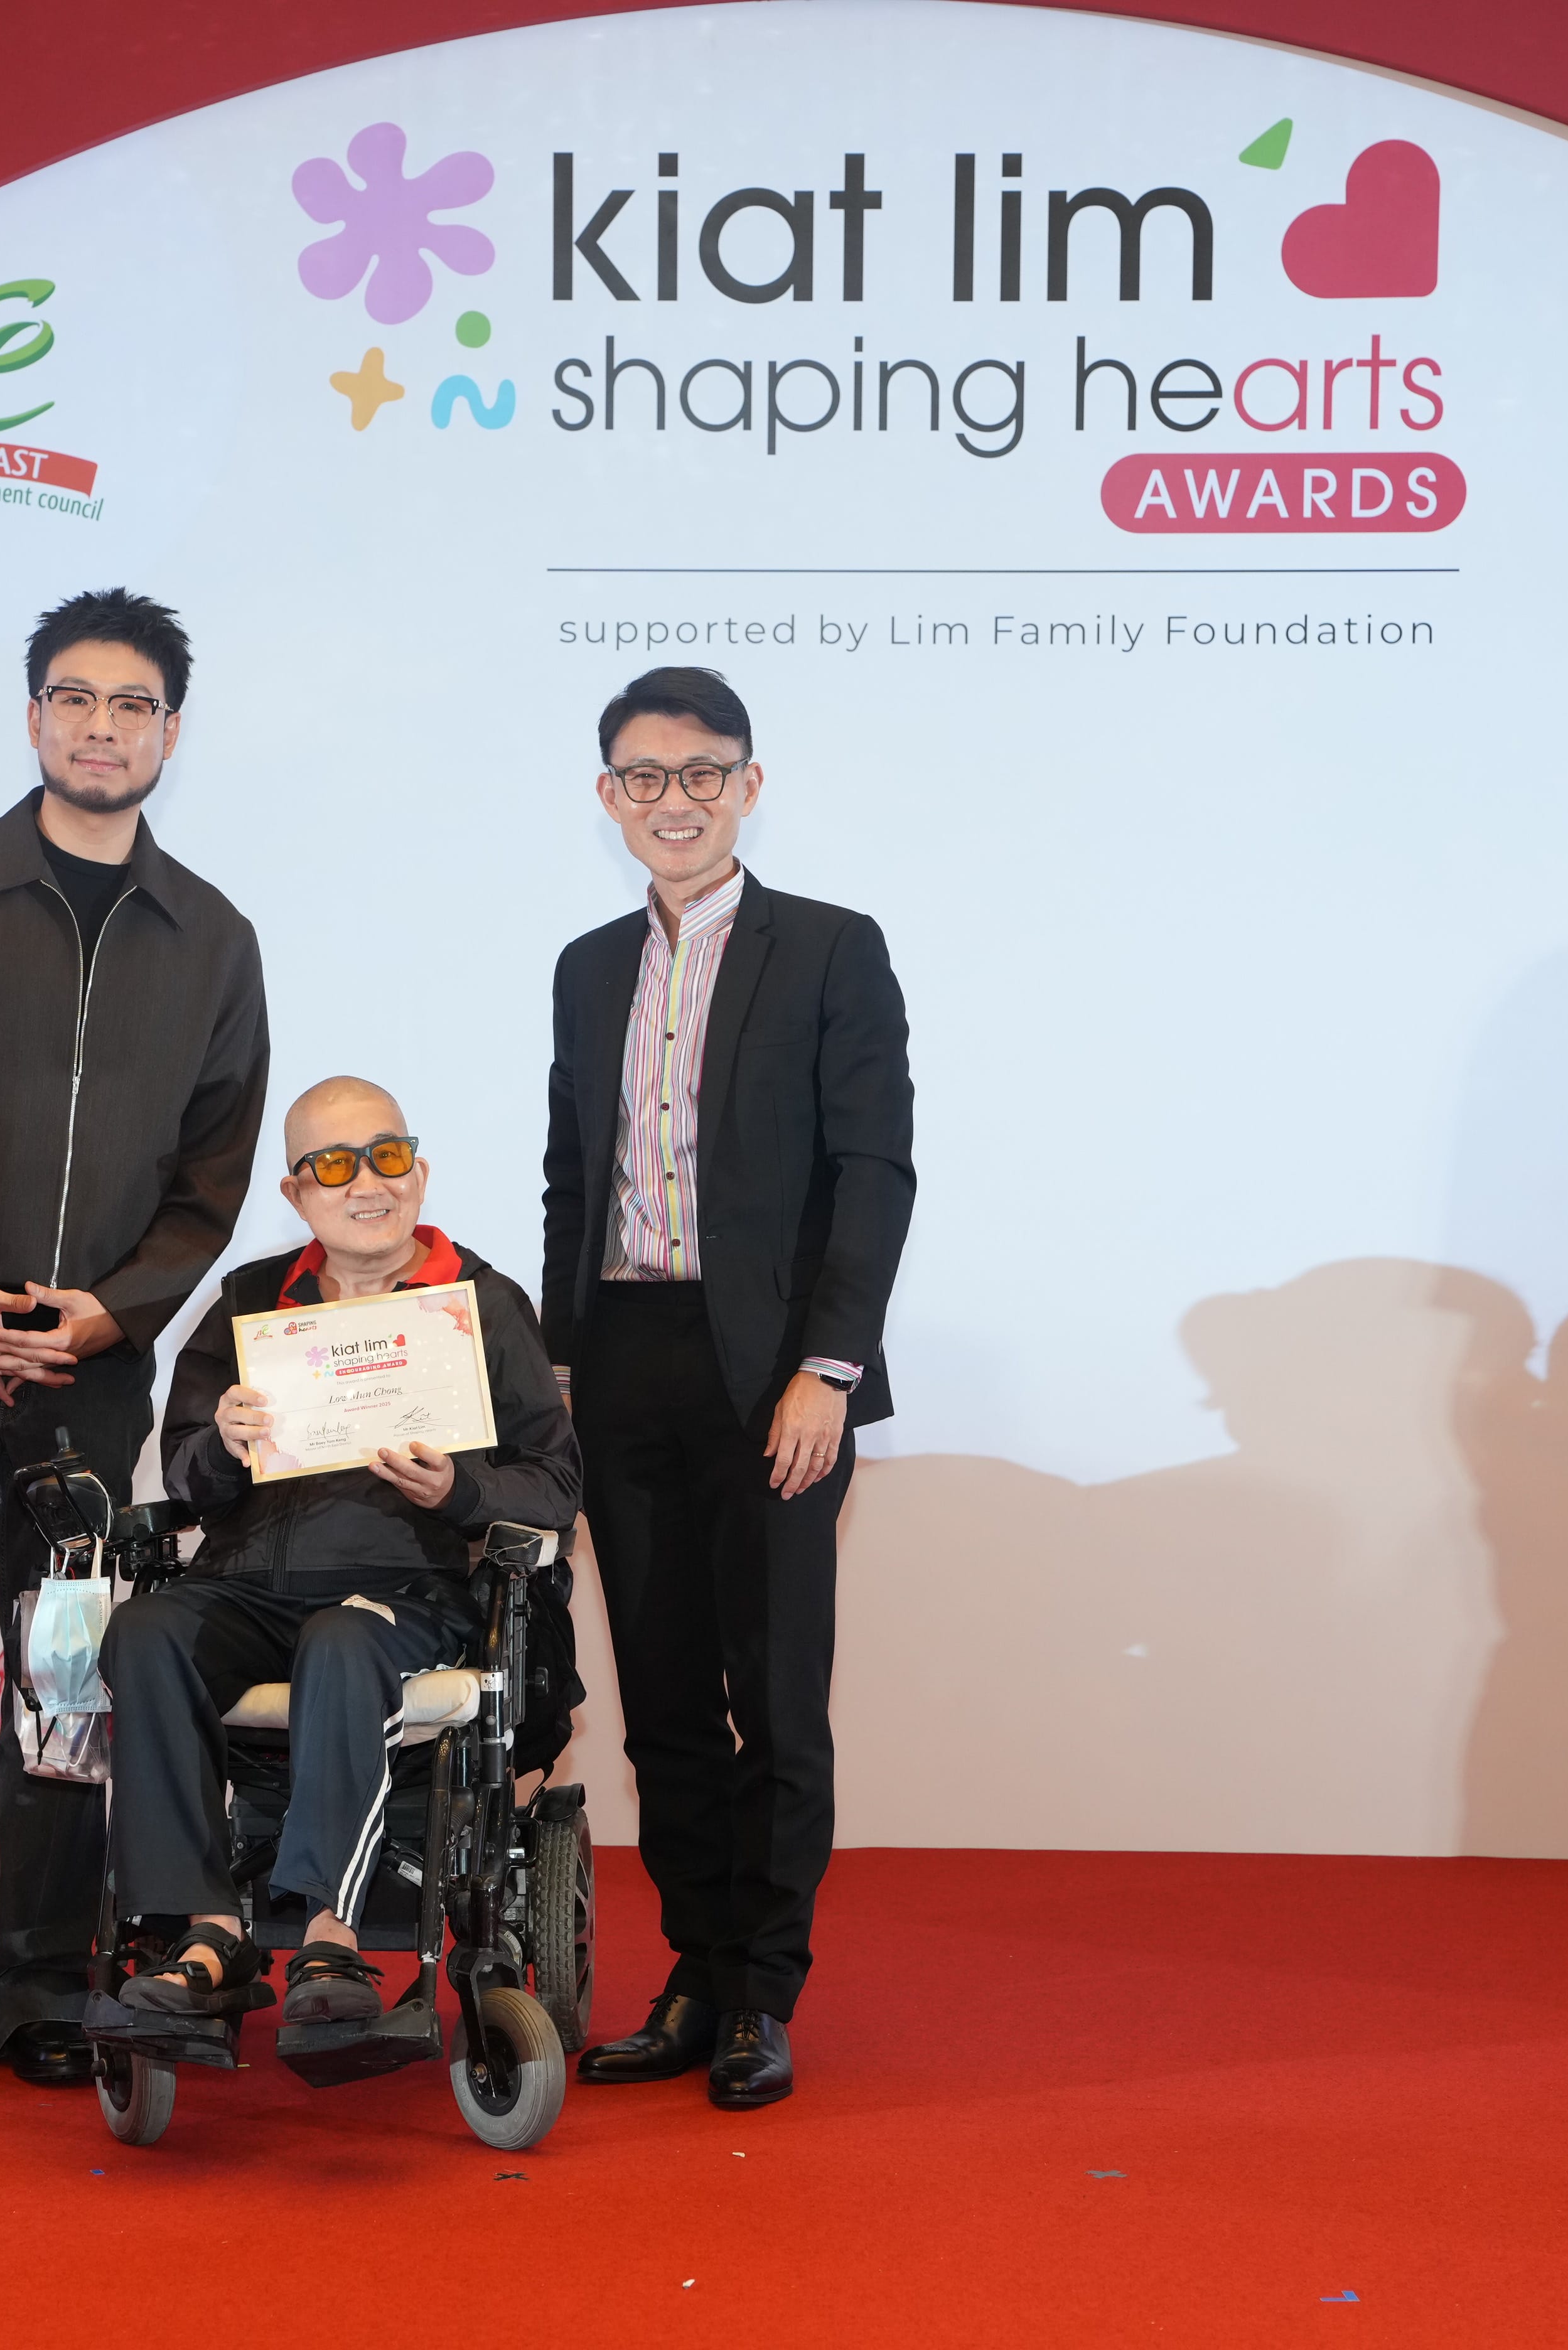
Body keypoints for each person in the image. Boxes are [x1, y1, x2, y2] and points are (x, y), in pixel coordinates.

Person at [0, 588, 271, 2093]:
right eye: (74, 698)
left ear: (171, 735)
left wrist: (110, 1313)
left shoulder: (212, 939)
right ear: (32, 717)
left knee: (65, 1677)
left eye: (132, 706)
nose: (100, 728)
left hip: (91, 1374)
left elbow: (213, 1177)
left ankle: (42, 1983)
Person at [542, 665, 915, 2109]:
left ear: (749, 786)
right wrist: (562, 1362)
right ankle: (695, 1976)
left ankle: (764, 1991)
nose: (675, 800)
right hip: (623, 1361)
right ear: (609, 797)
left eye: (703, 773)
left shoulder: (830, 949)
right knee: (663, 1704)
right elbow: (575, 1175)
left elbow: (872, 1172)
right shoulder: (587, 967)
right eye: (646, 777)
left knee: (776, 1697)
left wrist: (830, 1369)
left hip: (772, 1374)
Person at [104, 1077, 582, 2024]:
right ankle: (210, 1930)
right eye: (333, 1166)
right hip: (248, 1583)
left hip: (408, 1592)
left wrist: (461, 1492)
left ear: (419, 1171)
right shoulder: (249, 1302)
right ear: (296, 1194)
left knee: (342, 1639)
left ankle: (332, 1935)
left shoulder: (482, 1303)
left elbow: (556, 1484)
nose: (368, 1183)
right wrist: (222, 1446)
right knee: (145, 1631)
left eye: (387, 1156)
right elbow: (186, 1474)